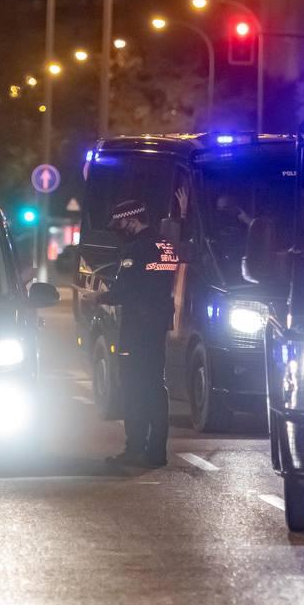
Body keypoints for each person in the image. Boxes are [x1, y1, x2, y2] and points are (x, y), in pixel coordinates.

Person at [98, 199, 179, 468]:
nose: (119, 230)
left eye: (120, 224)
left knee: (134, 388)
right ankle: (157, 451)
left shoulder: (136, 250)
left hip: (137, 329)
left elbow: (124, 291)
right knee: (156, 387)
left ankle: (135, 449)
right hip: (157, 328)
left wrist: (97, 298)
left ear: (132, 221)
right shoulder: (166, 246)